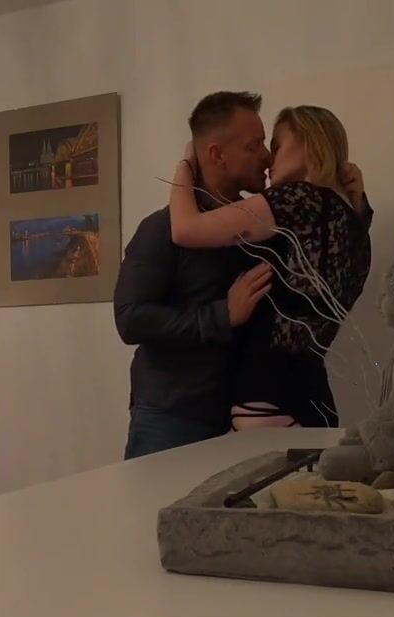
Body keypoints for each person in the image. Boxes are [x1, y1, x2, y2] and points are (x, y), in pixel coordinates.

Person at [168, 105, 373, 430]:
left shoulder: (299, 199)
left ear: (309, 144)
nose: (267, 159)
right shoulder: (354, 219)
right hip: (315, 398)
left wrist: (185, 165)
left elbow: (184, 230)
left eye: (276, 146)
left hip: (267, 395)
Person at [114, 91, 275, 460]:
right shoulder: (161, 229)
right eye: (254, 146)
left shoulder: (258, 225)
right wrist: (222, 315)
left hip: (242, 418)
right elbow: (131, 318)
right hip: (173, 417)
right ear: (217, 155)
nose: (266, 156)